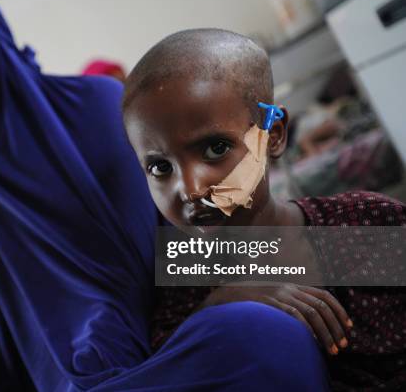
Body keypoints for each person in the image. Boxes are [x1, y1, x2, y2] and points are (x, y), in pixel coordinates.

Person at [0, 0, 329, 390]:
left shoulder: (93, 110)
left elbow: (193, 234)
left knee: (267, 336)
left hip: (178, 348)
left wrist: (377, 252)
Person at [122, 28, 406, 391]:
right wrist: (221, 309)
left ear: (273, 135)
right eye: (161, 168)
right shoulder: (188, 282)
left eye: (215, 148)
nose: (191, 190)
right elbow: (176, 371)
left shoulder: (364, 223)